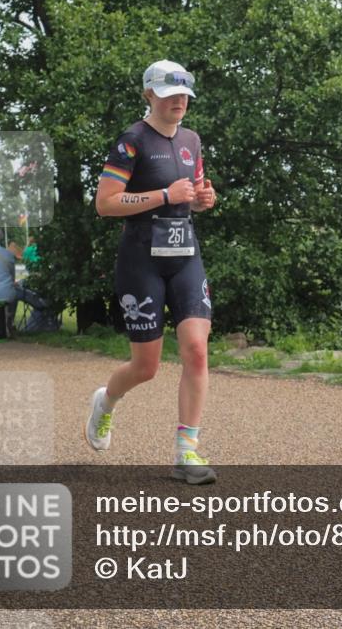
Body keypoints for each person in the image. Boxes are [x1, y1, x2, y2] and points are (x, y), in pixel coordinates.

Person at [86, 60, 217, 485]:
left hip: (185, 255)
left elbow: (192, 193)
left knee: (196, 349)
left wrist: (202, 199)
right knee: (147, 366)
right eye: (169, 95)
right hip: (141, 259)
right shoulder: (132, 141)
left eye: (184, 96)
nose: (179, 101)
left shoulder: (192, 140)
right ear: (148, 95)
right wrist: (163, 194)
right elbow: (105, 203)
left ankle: (186, 453)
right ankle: (106, 401)